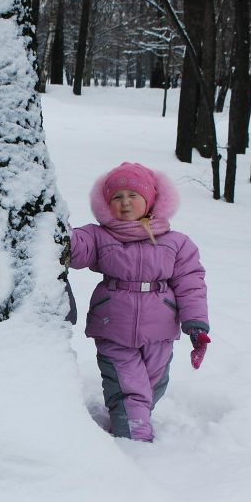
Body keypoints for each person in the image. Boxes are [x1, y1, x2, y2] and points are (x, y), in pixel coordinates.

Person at [69, 162, 210, 442]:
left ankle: (133, 420)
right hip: (113, 326)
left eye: (133, 196)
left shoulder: (176, 243)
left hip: (160, 330)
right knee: (127, 388)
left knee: (152, 387)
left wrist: (196, 323)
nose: (124, 203)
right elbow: (75, 248)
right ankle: (136, 444)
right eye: (117, 197)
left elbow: (191, 283)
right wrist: (57, 229)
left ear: (150, 199)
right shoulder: (99, 235)